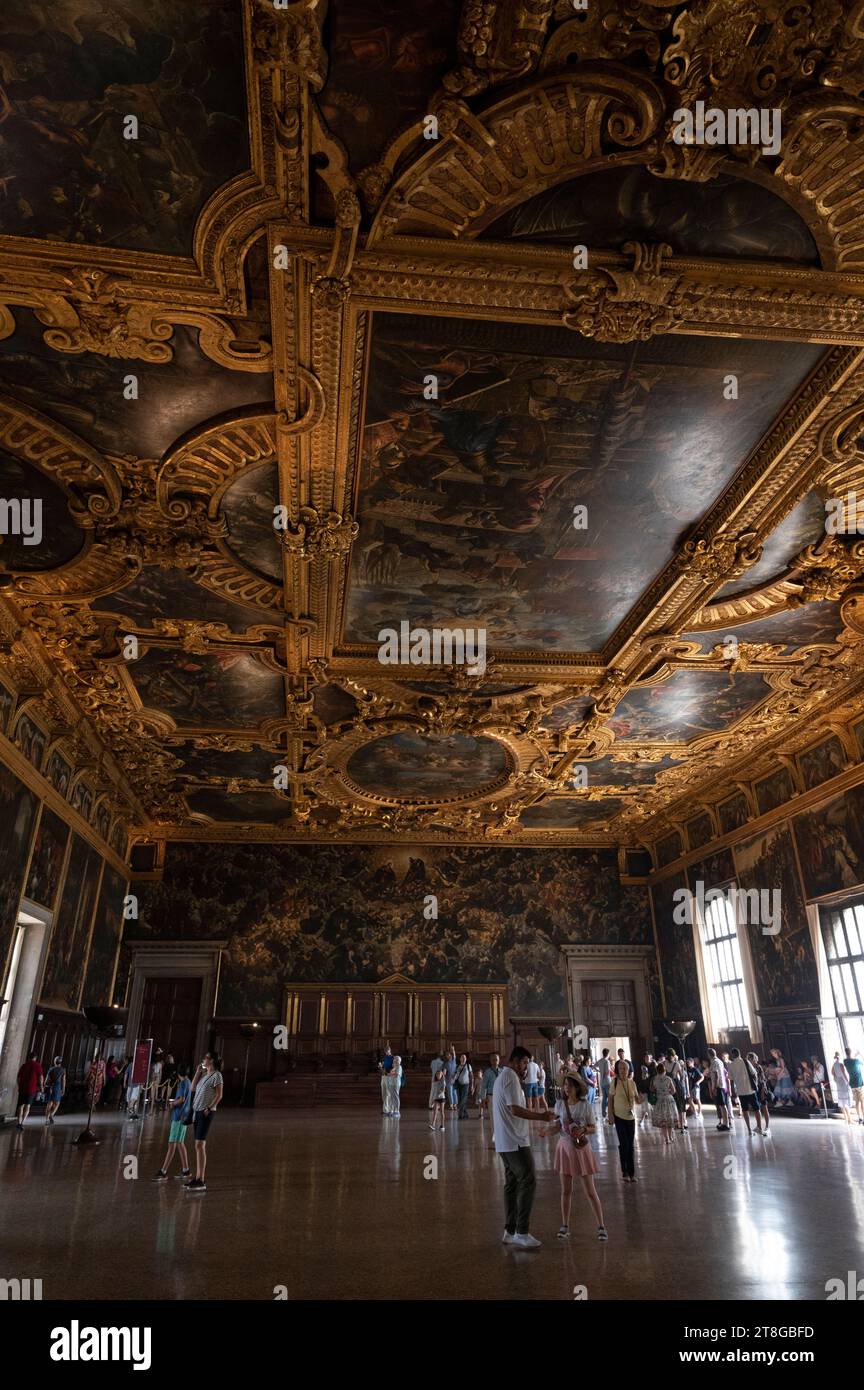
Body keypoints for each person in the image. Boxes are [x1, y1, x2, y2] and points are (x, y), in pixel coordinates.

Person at [492, 1046, 554, 1249]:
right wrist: (541, 1116)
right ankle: (522, 1231)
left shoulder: (506, 1076)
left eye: (527, 1063)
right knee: (528, 1179)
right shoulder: (509, 1077)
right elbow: (515, 1109)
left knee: (512, 1184)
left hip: (506, 1141)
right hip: (515, 1141)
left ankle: (510, 1231)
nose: (526, 1067)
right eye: (524, 1062)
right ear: (515, 1061)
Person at [541, 1073, 607, 1242]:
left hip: (581, 1149)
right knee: (566, 1190)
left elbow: (593, 1128)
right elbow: (558, 1126)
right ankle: (564, 1225)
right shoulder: (560, 1105)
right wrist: (547, 1132)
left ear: (577, 1087)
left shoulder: (585, 1106)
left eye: (570, 1084)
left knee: (590, 1191)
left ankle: (601, 1226)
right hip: (564, 1148)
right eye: (565, 1085)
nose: (566, 1087)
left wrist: (584, 1130)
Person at [186, 1052, 223, 1192]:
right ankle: (198, 1177)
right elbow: (193, 1088)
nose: (203, 1059)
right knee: (198, 1145)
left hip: (206, 1112)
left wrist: (209, 1107)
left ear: (211, 1060)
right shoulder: (205, 1075)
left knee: (200, 1145)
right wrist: (197, 1073)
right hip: (198, 1110)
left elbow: (219, 1095)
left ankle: (201, 1179)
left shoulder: (217, 1075)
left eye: (206, 1058)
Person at [154, 1065, 193, 1181]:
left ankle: (163, 1171)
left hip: (178, 1116)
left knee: (172, 1145)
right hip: (184, 1116)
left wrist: (172, 1104)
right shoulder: (189, 1082)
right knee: (180, 1143)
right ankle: (186, 1170)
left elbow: (181, 1099)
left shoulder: (181, 1084)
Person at [607, 1058, 639, 1182]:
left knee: (630, 1145)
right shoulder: (614, 1082)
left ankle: (632, 1173)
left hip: (631, 1117)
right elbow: (610, 1099)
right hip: (619, 1116)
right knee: (624, 1143)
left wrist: (641, 1099)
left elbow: (636, 1098)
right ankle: (624, 1171)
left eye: (625, 1068)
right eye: (620, 1068)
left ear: (628, 1070)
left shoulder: (632, 1083)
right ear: (617, 1070)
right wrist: (610, 1115)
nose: (622, 1070)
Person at [727, 1048, 763, 1136]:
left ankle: (749, 1130)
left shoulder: (731, 1065)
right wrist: (756, 1084)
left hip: (740, 1091)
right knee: (757, 1109)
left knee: (745, 1110)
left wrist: (733, 1092)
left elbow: (731, 1080)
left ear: (732, 1055)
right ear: (739, 1053)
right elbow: (754, 1073)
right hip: (750, 1089)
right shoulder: (745, 1061)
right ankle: (759, 1127)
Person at [16, 1051, 44, 1130]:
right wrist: (41, 1086)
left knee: (20, 1106)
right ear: (35, 1058)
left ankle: (18, 1122)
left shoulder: (24, 1065)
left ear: (29, 1057)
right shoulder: (37, 1065)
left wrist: (19, 1086)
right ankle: (22, 1123)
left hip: (22, 1088)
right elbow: (41, 1077)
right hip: (31, 1089)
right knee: (27, 1106)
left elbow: (18, 1078)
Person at [651, 1062, 677, 1145]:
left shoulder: (654, 1079)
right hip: (669, 1100)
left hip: (660, 1101)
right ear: (665, 1070)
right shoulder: (668, 1079)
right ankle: (671, 1137)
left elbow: (652, 1089)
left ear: (657, 1071)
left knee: (663, 1121)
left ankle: (666, 1139)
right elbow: (673, 1091)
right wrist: (668, 1092)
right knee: (669, 1120)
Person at [707, 1048, 732, 1131]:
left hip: (718, 1086)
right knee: (722, 1105)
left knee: (722, 1105)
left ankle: (726, 1123)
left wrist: (714, 1087)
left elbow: (716, 1075)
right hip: (722, 1085)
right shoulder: (720, 1061)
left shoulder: (714, 1062)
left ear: (709, 1055)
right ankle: (725, 1123)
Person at [842, 1048, 864, 1123]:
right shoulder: (856, 1061)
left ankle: (860, 1118)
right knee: (862, 1101)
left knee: (857, 1102)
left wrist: (854, 1055)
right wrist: (859, 1054)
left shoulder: (845, 1061)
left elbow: (851, 1059)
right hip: (859, 1083)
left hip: (852, 1084)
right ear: (851, 1052)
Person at [831, 1052, 853, 1124]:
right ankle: (849, 1119)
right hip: (843, 1081)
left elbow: (832, 1072)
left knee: (842, 1101)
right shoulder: (841, 1064)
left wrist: (835, 1077)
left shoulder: (834, 1065)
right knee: (846, 1101)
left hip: (838, 1081)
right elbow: (844, 1073)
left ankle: (846, 1119)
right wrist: (848, 1082)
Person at [43, 1056, 66, 1124]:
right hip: (58, 1087)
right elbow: (63, 1081)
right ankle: (51, 1115)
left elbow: (46, 1080)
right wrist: (63, 1089)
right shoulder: (63, 1070)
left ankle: (46, 1120)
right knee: (57, 1103)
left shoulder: (51, 1069)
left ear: (54, 1062)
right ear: (60, 1062)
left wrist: (45, 1084)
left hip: (51, 1086)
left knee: (49, 1103)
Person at [454, 1053, 473, 1118]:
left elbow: (471, 1076)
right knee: (460, 1100)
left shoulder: (468, 1066)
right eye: (462, 1057)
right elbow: (455, 1075)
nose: (463, 1059)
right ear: (460, 1059)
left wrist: (472, 1085)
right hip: (459, 1085)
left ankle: (460, 1114)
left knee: (463, 1099)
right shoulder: (457, 1066)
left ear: (466, 1059)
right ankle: (465, 1114)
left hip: (466, 1085)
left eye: (464, 1057)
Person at [385, 1054, 403, 1118]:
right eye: (394, 1059)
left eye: (395, 1060)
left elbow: (396, 1075)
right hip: (391, 1083)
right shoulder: (394, 1067)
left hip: (396, 1084)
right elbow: (391, 1074)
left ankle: (397, 1111)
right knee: (391, 1097)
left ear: (398, 1061)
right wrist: (390, 1074)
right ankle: (391, 1110)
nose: (394, 1060)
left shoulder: (399, 1067)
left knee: (396, 1097)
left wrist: (390, 1074)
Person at [378, 1043, 394, 1114]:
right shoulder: (384, 1057)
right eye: (385, 1051)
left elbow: (394, 1068)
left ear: (390, 1050)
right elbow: (383, 1066)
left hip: (389, 1076)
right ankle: (385, 1109)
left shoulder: (393, 1058)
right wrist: (381, 1067)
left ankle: (390, 1109)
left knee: (388, 1094)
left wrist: (388, 1071)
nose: (387, 1052)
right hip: (383, 1076)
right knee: (383, 1093)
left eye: (388, 1051)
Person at [597, 1048, 612, 1118]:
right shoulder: (607, 1061)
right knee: (610, 1097)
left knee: (604, 1098)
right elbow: (608, 1072)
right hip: (607, 1081)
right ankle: (609, 1112)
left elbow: (593, 1067)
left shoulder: (600, 1060)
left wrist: (600, 1071)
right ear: (608, 1054)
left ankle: (603, 1113)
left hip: (601, 1082)